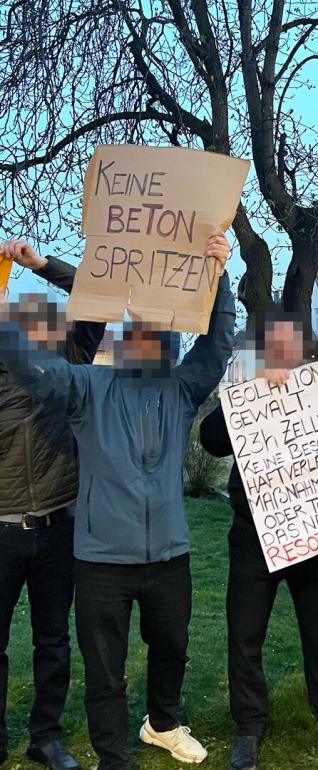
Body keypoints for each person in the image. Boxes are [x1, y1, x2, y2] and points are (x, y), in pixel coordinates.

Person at [0, 231, 235, 770]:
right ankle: (112, 755)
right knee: (104, 668)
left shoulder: (181, 389)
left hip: (169, 556)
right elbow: (34, 370)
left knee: (172, 649)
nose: (151, 343)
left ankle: (163, 724)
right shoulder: (87, 387)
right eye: (140, 334)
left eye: (161, 336)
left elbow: (220, 343)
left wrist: (220, 278)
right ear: (125, 341)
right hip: (101, 559)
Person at [200, 313, 318, 770]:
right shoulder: (246, 396)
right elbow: (210, 439)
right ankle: (248, 730)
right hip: (255, 539)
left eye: (289, 346)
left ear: (303, 351)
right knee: (245, 636)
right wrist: (249, 393)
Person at [0, 241, 105, 770]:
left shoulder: (69, 363)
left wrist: (41, 266)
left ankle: (46, 736)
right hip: (1, 529)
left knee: (53, 641)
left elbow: (97, 300)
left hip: (58, 525)